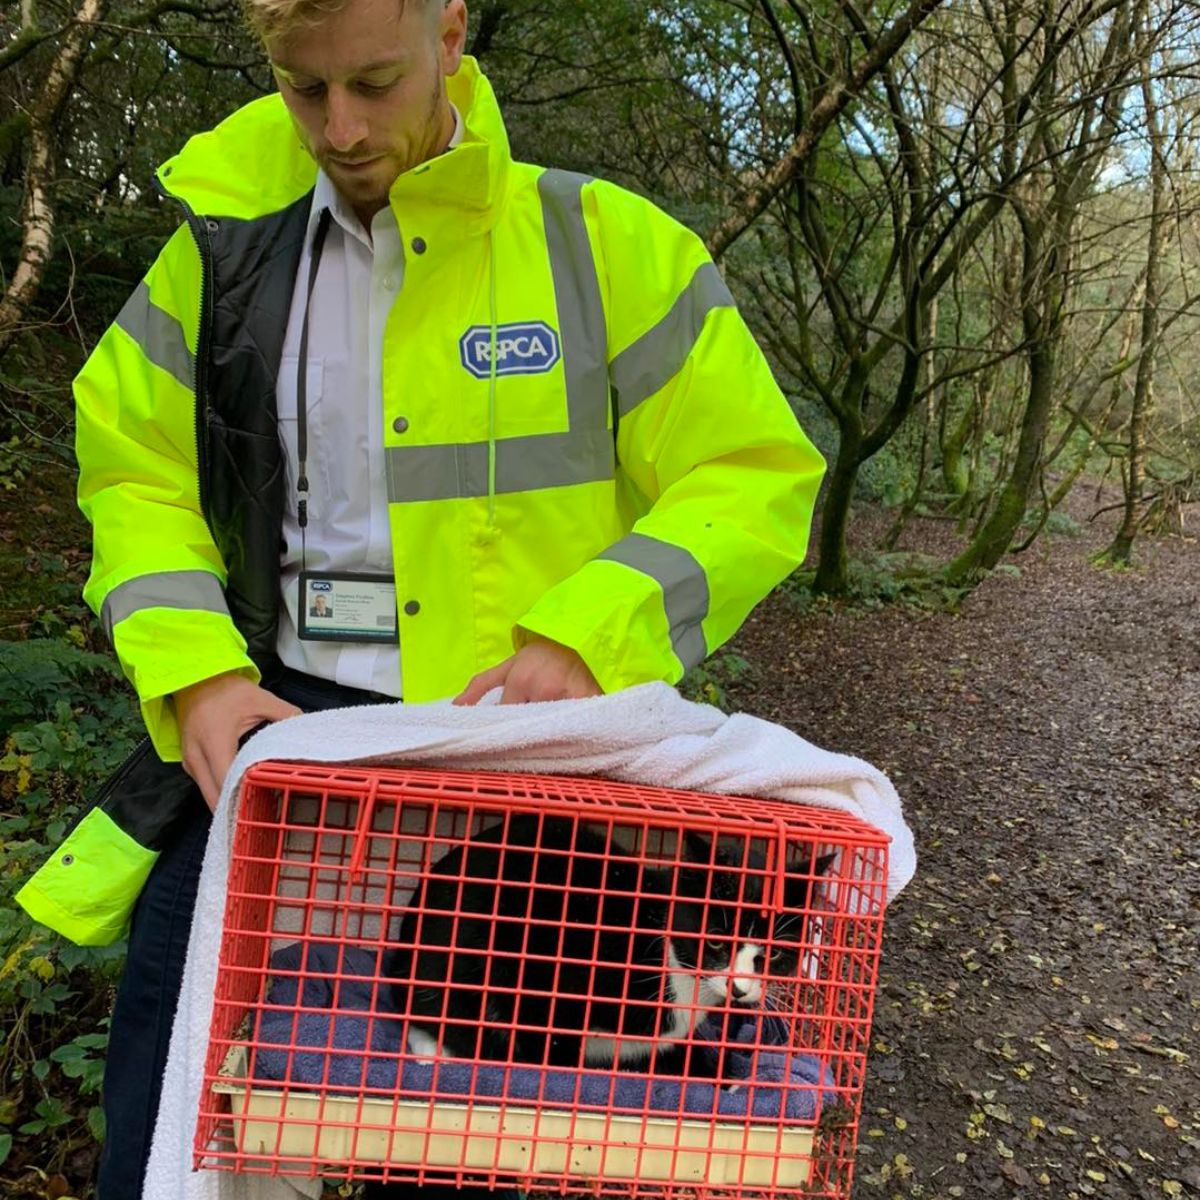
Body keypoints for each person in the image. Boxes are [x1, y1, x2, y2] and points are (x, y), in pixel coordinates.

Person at [16, 0, 826, 1194]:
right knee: (183, 1108)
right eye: (303, 90)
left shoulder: (608, 244)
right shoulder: (225, 246)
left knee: (524, 1126)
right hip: (292, 731)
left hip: (539, 754)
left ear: (450, 36)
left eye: (374, 83)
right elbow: (134, 468)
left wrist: (589, 634)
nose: (338, 129)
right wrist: (195, 672)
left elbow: (754, 475)